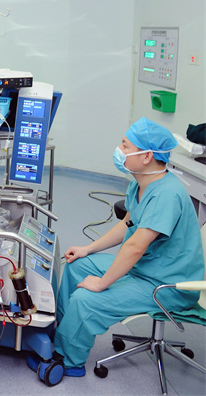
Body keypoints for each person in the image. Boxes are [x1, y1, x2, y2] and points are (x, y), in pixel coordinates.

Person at [44, 117, 204, 377]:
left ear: (146, 156)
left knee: (87, 298)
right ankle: (62, 331)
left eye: (125, 145)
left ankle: (67, 359)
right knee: (77, 265)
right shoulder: (139, 183)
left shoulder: (167, 194)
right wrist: (88, 249)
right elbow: (127, 225)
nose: (119, 150)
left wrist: (102, 283)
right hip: (146, 268)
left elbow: (136, 247)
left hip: (168, 284)